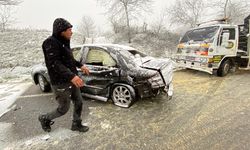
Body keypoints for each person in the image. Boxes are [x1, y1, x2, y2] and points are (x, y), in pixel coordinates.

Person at [38, 18, 89, 132]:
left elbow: (69, 59)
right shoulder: (50, 42)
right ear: (61, 31)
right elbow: (55, 63)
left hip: (71, 80)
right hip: (61, 82)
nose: (72, 32)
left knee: (79, 102)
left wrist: (81, 65)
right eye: (69, 29)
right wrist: (72, 76)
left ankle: (76, 124)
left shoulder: (64, 42)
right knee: (63, 109)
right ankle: (44, 118)